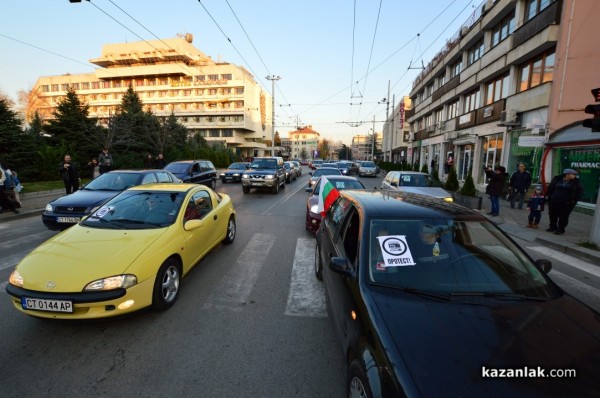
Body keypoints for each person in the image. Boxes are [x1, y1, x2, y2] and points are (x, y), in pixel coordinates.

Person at [545, 168, 584, 235]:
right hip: (554, 200)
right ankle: (553, 227)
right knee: (552, 214)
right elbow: (551, 188)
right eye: (573, 174)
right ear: (567, 174)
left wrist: (573, 200)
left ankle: (561, 229)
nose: (575, 176)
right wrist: (549, 196)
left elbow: (579, 192)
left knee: (563, 216)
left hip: (566, 203)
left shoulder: (576, 182)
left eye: (575, 174)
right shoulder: (557, 179)